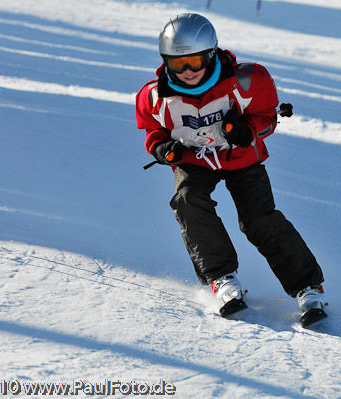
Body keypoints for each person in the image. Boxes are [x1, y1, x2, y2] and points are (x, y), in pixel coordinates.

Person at [135, 13, 327, 324]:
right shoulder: (155, 96)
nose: (187, 72)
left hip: (241, 158)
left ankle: (307, 286)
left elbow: (267, 115)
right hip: (193, 159)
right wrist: (160, 148)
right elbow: (152, 129)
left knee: (258, 219)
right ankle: (222, 278)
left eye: (195, 62)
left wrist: (247, 131)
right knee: (187, 200)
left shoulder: (246, 81)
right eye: (177, 64)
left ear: (210, 55)